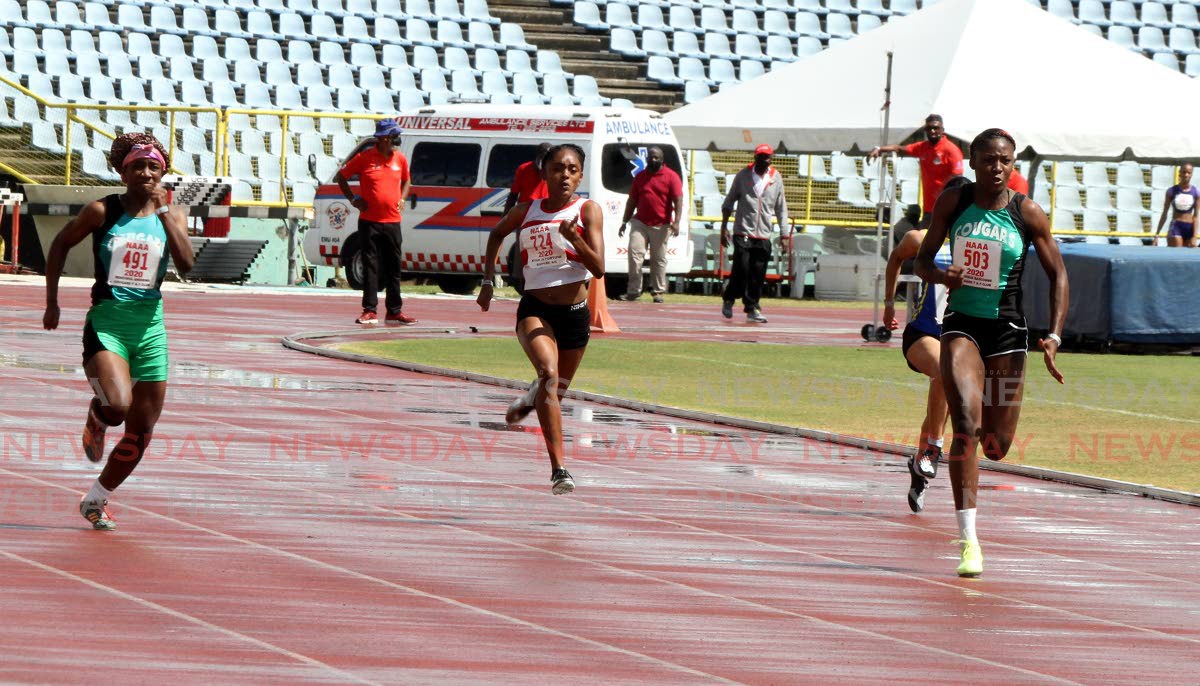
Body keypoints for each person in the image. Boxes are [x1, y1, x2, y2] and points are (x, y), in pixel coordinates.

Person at [915, 128, 1067, 578]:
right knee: (965, 421)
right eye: (987, 160)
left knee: (996, 445)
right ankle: (969, 542)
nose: (996, 168)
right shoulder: (955, 203)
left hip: (1009, 332)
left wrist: (1054, 336)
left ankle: (981, 450)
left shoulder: (1027, 213)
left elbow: (1058, 274)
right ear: (972, 162)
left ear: (1012, 163)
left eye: (1004, 161)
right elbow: (921, 260)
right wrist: (944, 277)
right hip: (962, 325)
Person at [42, 132, 194, 530]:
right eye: (137, 166)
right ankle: (97, 415)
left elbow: (189, 265)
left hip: (150, 327)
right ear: (121, 172)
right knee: (117, 406)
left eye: (154, 166)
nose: (146, 173)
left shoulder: (172, 215)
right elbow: (59, 245)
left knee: (141, 430)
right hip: (108, 322)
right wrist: (52, 302)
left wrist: (163, 214)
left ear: (163, 172)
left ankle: (96, 499)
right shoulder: (101, 211)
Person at [478, 144, 605, 495]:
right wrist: (488, 282)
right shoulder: (526, 210)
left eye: (572, 169)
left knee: (554, 394)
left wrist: (575, 238)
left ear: (580, 174)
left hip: (575, 316)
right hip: (535, 309)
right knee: (549, 375)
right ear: (545, 173)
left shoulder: (587, 210)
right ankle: (559, 470)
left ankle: (529, 399)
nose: (564, 175)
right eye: (557, 169)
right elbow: (495, 234)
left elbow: (598, 269)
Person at [883, 177, 970, 513]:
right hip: (923, 333)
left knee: (951, 386)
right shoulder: (921, 239)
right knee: (947, 373)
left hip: (959, 336)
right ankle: (933, 446)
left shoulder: (980, 245)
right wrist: (890, 303)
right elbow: (894, 259)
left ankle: (921, 464)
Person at [336, 117, 415, 325]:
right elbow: (341, 177)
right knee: (371, 265)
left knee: (394, 266)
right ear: (383, 139)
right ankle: (370, 310)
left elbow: (407, 180)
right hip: (369, 221)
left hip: (392, 221)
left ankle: (394, 311)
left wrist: (402, 198)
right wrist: (354, 200)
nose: (397, 141)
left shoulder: (400, 159)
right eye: (394, 136)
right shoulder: (365, 158)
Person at [720, 143, 790, 323]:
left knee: (757, 273)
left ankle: (752, 306)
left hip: (764, 234)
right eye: (760, 156)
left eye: (766, 157)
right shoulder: (743, 176)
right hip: (743, 231)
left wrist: (784, 235)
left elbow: (781, 208)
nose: (763, 160)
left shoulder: (776, 178)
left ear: (770, 159)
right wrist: (724, 228)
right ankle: (729, 298)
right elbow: (729, 202)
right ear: (755, 157)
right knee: (741, 269)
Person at [617, 146, 684, 303]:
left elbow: (678, 200)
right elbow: (632, 201)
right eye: (650, 157)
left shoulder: (671, 177)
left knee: (658, 259)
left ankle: (658, 291)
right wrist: (624, 221)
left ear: (662, 160)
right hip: (640, 222)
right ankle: (633, 291)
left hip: (661, 224)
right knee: (635, 254)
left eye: (656, 158)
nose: (652, 160)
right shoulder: (640, 177)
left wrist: (677, 222)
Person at [869, 114, 965, 223]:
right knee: (925, 237)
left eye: (936, 128)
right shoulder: (922, 147)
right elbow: (899, 149)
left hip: (947, 208)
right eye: (929, 128)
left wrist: (943, 194)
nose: (932, 131)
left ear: (942, 130)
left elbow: (958, 179)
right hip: (929, 208)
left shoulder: (951, 150)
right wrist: (880, 149)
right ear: (925, 130)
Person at [1154, 162, 1198, 247]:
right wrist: (1157, 234)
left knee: (1189, 257)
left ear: (1191, 174)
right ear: (1179, 173)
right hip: (1176, 227)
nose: (1186, 175)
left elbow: (1195, 216)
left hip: (1190, 228)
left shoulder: (1196, 192)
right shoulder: (1171, 191)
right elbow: (1164, 213)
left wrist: (1195, 236)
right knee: (1178, 255)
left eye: (1189, 173)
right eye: (1184, 172)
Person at [502, 142, 551, 215]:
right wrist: (506, 215)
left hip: (545, 211)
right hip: (526, 211)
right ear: (538, 154)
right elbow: (513, 194)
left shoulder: (553, 170)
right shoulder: (523, 169)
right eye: (542, 154)